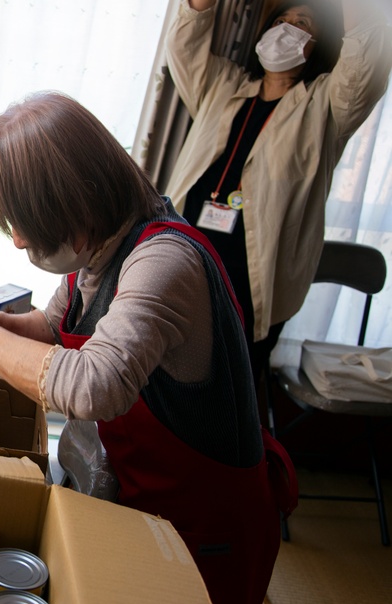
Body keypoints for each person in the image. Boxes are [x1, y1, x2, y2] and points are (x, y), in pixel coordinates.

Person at [0, 92, 297, 604]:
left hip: (208, 525)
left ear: (67, 203)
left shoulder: (162, 261)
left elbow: (97, 385)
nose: (17, 239)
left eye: (20, 221)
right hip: (146, 502)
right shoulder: (100, 250)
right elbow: (51, 325)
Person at [165, 0, 392, 382]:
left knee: (226, 384)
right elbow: (183, 46)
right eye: (280, 20)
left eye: (301, 23)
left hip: (251, 277)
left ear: (318, 44)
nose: (285, 28)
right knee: (163, 364)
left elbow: (364, 68)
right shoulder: (225, 85)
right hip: (186, 255)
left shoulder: (324, 104)